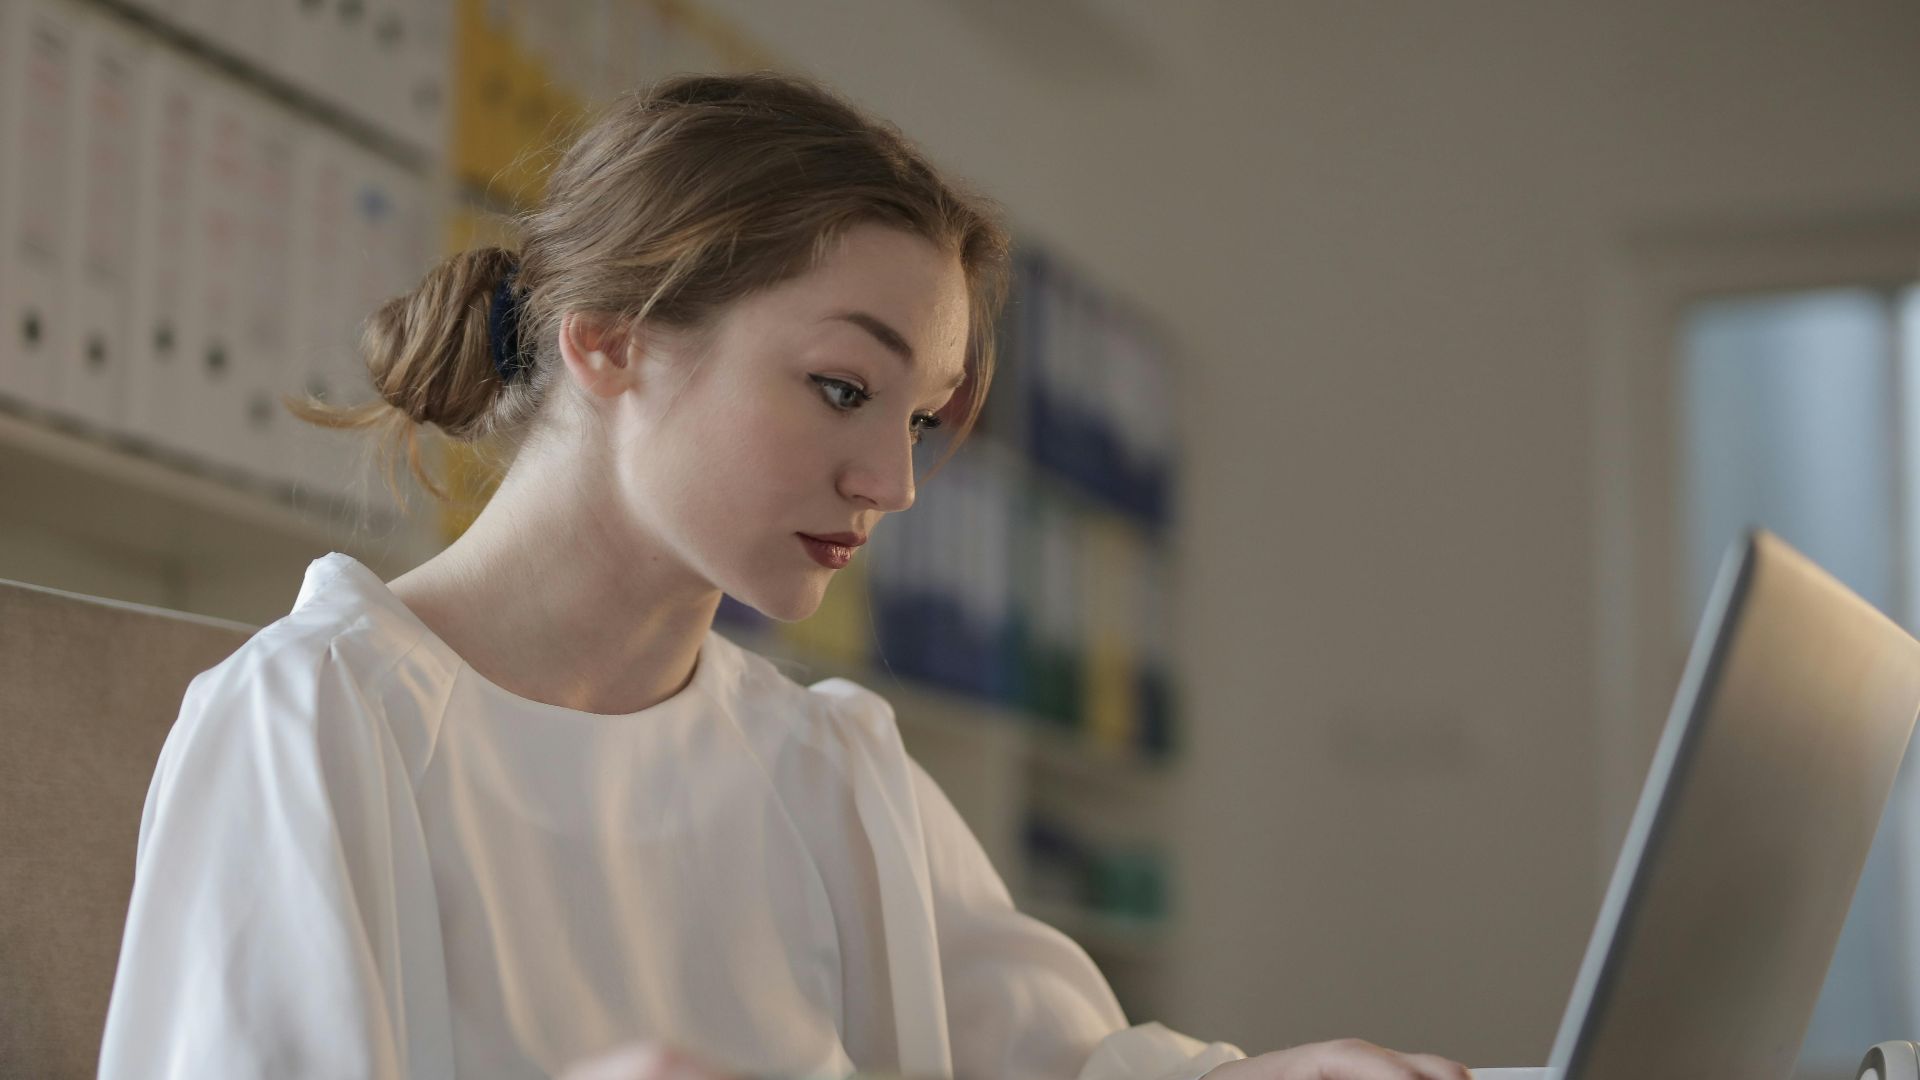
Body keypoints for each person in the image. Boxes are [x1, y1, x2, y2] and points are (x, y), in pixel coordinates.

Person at [95, 72, 1474, 1080]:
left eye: (920, 418)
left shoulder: (828, 766)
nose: (894, 481)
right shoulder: (316, 722)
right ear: (611, 342)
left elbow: (1069, 1063)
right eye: (839, 387)